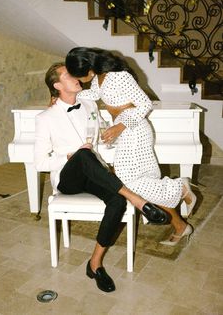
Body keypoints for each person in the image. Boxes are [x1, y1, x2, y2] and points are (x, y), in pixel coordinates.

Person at [34, 62, 169, 293]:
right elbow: (40, 162)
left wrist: (111, 136)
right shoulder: (45, 118)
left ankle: (94, 264)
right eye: (68, 74)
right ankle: (138, 200)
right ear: (57, 85)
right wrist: (70, 156)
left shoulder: (89, 103)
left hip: (93, 170)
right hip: (68, 178)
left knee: (116, 201)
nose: (76, 75)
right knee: (83, 154)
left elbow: (103, 132)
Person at [65, 47, 197, 245]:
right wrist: (66, 96)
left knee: (127, 182)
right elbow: (92, 93)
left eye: (77, 77)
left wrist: (119, 126)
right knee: (140, 183)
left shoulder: (119, 76)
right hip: (125, 132)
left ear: (89, 70)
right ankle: (180, 225)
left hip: (134, 130)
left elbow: (145, 104)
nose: (78, 81)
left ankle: (180, 187)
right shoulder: (98, 78)